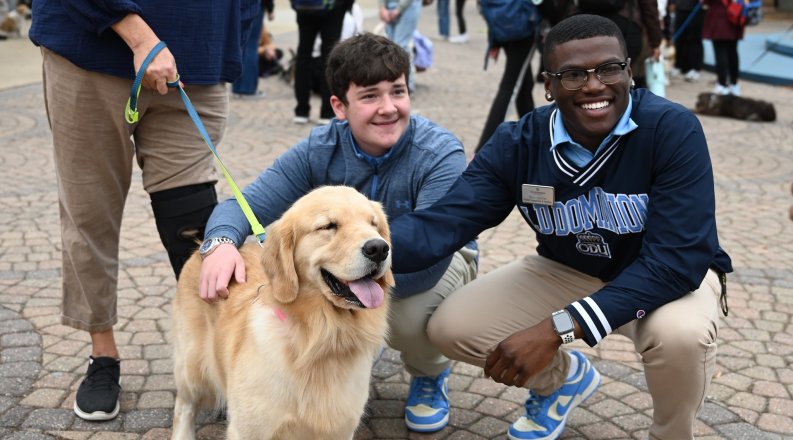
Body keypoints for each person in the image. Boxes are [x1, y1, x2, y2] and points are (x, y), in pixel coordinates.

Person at [387, 14, 732, 440]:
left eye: (609, 68)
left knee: (681, 336)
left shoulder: (670, 129)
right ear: (547, 86)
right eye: (572, 74)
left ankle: (671, 435)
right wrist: (359, 249)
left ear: (629, 71)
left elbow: (677, 261)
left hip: (664, 278)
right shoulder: (519, 142)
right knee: (450, 328)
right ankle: (563, 381)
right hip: (567, 268)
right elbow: (442, 225)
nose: (593, 85)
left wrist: (558, 328)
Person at [198, 33, 478, 434]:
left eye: (397, 92)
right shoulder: (320, 147)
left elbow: (434, 251)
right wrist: (221, 243)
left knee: (403, 316)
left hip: (439, 262)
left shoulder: (439, 154)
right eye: (369, 96)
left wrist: (361, 285)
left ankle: (429, 375)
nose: (388, 108)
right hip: (358, 264)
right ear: (339, 106)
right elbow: (241, 206)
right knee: (313, 307)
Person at [28, 0, 258, 422]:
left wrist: (231, 37)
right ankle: (103, 355)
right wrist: (138, 35)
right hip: (90, 53)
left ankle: (223, 356)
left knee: (194, 221)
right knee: (90, 213)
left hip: (195, 63)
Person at [475, 34, 536, 153]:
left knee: (524, 84)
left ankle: (535, 134)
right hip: (525, 29)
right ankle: (485, 149)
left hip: (508, 27)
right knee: (511, 86)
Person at [291, 0, 348, 124]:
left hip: (305, 7)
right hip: (333, 7)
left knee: (303, 55)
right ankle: (327, 112)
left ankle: (301, 110)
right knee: (329, 56)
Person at [379, 0, 423, 93]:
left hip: (408, 5)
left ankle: (407, 84)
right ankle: (395, 83)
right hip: (389, 6)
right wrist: (382, 7)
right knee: (390, 47)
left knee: (401, 46)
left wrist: (399, 9)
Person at [702, 0, 744, 95]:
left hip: (720, 17)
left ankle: (722, 83)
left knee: (721, 52)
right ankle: (734, 83)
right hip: (735, 16)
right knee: (732, 51)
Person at [669, 0, 704, 81]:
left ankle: (695, 68)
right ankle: (679, 66)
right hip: (680, 7)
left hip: (697, 8)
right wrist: (672, 2)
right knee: (680, 39)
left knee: (695, 39)